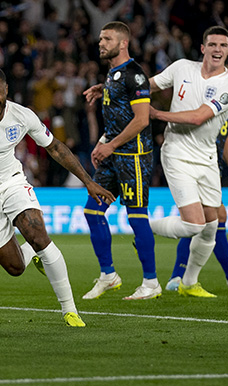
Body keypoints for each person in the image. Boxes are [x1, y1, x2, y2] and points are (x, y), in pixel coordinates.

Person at [0, 66, 115, 327]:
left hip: (12, 183)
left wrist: (88, 181)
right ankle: (31, 252)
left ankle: (70, 310)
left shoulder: (22, 115)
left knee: (38, 234)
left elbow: (55, 147)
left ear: (6, 90)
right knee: (15, 268)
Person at [145, 26, 228, 299]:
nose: (217, 49)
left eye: (222, 45)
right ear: (203, 48)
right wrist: (113, 88)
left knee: (211, 226)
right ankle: (144, 229)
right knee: (195, 224)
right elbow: (148, 85)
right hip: (176, 153)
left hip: (207, 158)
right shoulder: (181, 67)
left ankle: (189, 282)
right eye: (212, 44)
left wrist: (157, 114)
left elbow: (199, 117)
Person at [164, 52, 228, 292]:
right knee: (209, 217)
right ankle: (226, 275)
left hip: (210, 163)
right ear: (227, 70)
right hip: (191, 160)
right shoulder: (212, 92)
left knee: (208, 219)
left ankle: (181, 276)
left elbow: (224, 136)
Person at [81, 21, 161, 300]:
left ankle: (151, 282)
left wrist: (111, 145)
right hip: (113, 156)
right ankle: (108, 275)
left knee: (136, 217)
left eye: (107, 39)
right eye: (100, 39)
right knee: (92, 212)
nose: (100, 43)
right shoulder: (113, 75)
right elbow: (118, 116)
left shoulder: (135, 75)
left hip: (134, 157)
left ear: (123, 43)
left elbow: (141, 119)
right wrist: (103, 142)